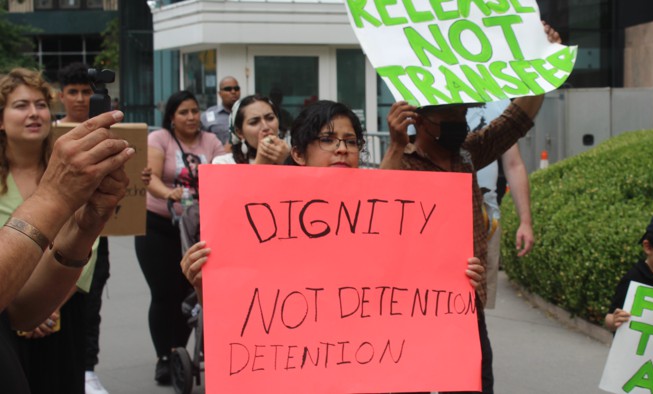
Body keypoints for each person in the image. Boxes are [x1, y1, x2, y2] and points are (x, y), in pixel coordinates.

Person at [381, 20, 560, 394]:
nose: (461, 123)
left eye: (464, 115)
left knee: (475, 384)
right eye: (451, 118)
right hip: (412, 306)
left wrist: (543, 64)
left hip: (465, 301)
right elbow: (377, 205)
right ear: (421, 121)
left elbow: (516, 120)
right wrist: (397, 144)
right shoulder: (405, 161)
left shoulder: (466, 154)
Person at [180, 99, 484, 304]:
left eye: (351, 141)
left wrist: (455, 280)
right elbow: (244, 304)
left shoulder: (390, 215)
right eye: (327, 140)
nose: (341, 149)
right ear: (297, 154)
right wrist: (204, 285)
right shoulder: (267, 221)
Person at [0, 68, 133, 393]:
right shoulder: (63, 177)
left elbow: (21, 311)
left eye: (40, 104)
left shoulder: (70, 165)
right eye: (20, 106)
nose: (33, 113)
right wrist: (54, 197)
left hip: (59, 311)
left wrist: (85, 228)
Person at [136, 90, 224, 385]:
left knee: (190, 294)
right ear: (172, 117)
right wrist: (169, 193)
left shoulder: (210, 142)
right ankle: (165, 355)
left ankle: (178, 351)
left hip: (199, 228)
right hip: (160, 226)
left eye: (195, 111)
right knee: (164, 294)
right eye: (184, 112)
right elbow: (154, 179)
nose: (191, 117)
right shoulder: (159, 139)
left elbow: (223, 173)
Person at [56, 62, 112, 394]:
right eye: (73, 92)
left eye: (85, 92)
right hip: (55, 233)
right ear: (61, 96)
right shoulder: (48, 135)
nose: (80, 99)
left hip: (97, 236)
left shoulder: (107, 132)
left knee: (90, 306)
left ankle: (88, 370)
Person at [466, 99, 535, 309]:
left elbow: (513, 164)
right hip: (439, 218)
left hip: (486, 219)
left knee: (479, 305)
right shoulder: (428, 93)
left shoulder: (498, 100)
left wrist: (526, 221)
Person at [212, 94, 289, 165]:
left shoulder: (296, 157)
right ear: (240, 132)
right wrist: (260, 163)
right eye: (254, 122)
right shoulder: (224, 163)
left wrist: (287, 161)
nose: (265, 127)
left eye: (270, 118)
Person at [201, 76, 241, 147]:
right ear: (220, 94)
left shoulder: (247, 113)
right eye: (228, 89)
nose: (233, 92)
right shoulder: (208, 116)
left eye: (236, 88)